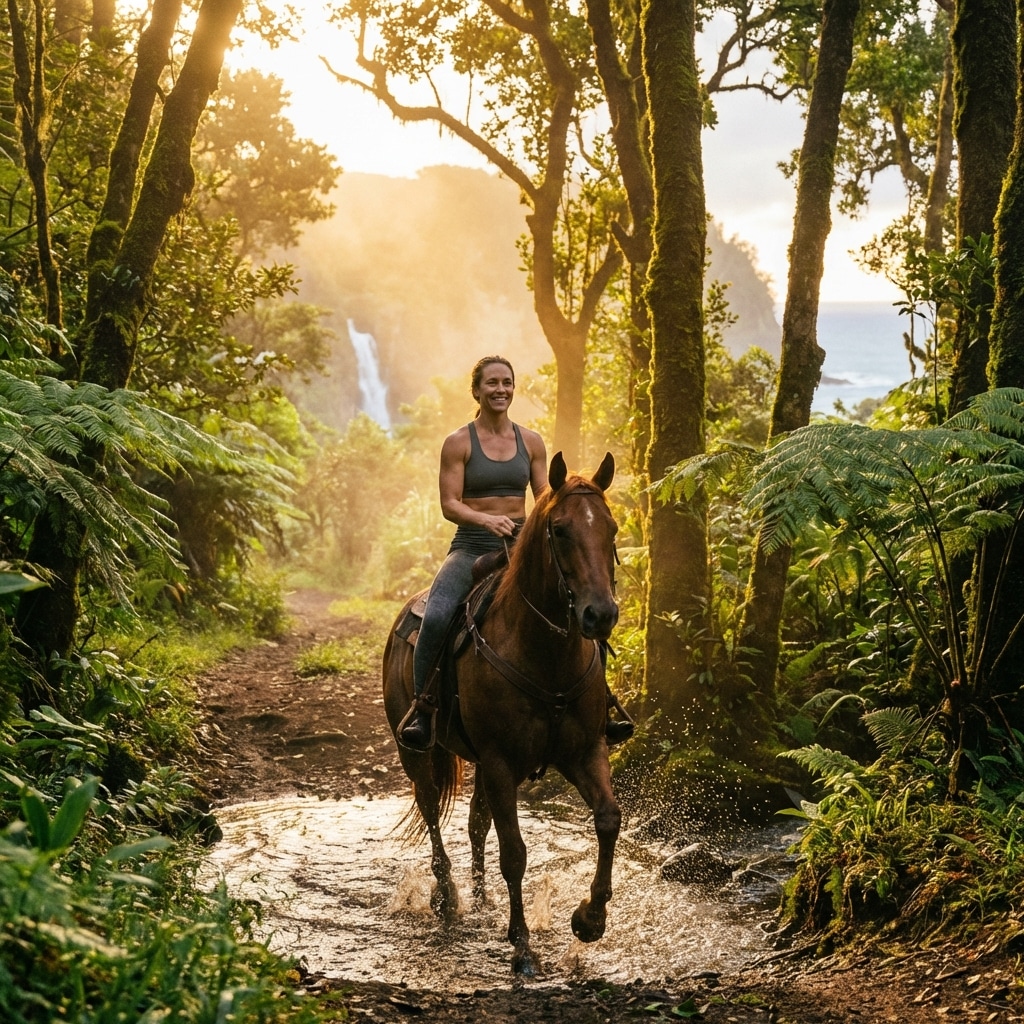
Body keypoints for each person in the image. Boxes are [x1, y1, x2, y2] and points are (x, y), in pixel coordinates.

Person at [398, 355, 633, 750]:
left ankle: (602, 706)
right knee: (437, 614)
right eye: (492, 383)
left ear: (513, 389)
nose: (500, 390)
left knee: (582, 608)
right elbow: (449, 503)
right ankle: (423, 709)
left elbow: (545, 497)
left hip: (522, 546)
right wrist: (485, 520)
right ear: (476, 390)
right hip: (471, 548)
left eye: (507, 383)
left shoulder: (531, 442)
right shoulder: (458, 442)